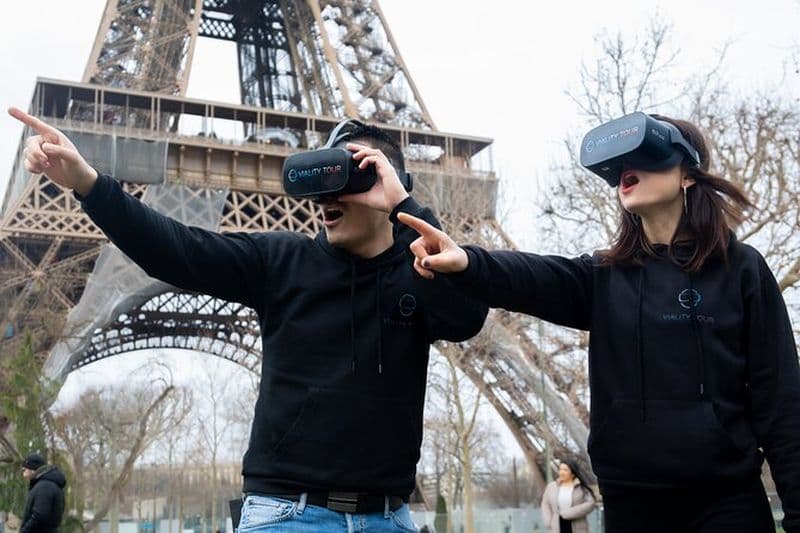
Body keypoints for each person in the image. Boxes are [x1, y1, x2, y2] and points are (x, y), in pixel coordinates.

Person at [9, 107, 487, 532]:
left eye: (350, 175)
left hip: (389, 518)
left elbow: (467, 314)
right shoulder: (280, 261)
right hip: (285, 516)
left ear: (390, 182)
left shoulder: (421, 272)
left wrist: (408, 212)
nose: (326, 195)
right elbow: (176, 250)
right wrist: (88, 183)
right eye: (321, 179)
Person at [397, 113, 800, 533]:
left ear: (688, 174)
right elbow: (534, 278)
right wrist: (467, 261)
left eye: (643, 156)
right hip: (631, 505)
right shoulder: (604, 277)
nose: (628, 169)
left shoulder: (742, 271)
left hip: (727, 505)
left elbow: (782, 403)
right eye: (620, 164)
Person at [540, 459, 596, 533]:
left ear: (573, 473)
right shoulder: (552, 487)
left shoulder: (581, 488)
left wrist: (569, 513)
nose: (561, 472)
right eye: (560, 469)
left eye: (565, 470)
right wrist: (548, 520)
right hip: (556, 526)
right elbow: (545, 504)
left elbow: (591, 503)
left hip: (578, 526)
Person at [19, 453, 66, 533]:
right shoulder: (46, 485)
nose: (23, 474)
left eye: (24, 470)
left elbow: (39, 516)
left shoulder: (45, 486)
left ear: (32, 469)